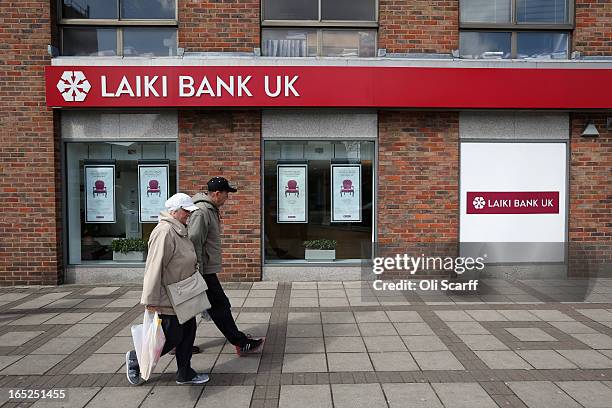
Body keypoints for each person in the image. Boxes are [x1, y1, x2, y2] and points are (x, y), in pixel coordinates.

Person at [126, 193, 210, 386]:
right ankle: (136, 359)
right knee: (172, 337)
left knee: (188, 334)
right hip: (168, 297)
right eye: (186, 211)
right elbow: (154, 267)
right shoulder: (164, 232)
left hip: (184, 294)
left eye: (190, 211)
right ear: (174, 211)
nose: (189, 214)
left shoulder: (179, 229)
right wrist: (150, 300)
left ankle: (185, 373)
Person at [189, 177, 264, 356]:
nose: (227, 198)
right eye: (226, 194)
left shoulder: (210, 209)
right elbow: (194, 241)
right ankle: (240, 342)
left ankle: (177, 343)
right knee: (220, 306)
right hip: (202, 270)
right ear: (217, 193)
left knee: (192, 308)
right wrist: (197, 271)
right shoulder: (202, 212)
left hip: (203, 269)